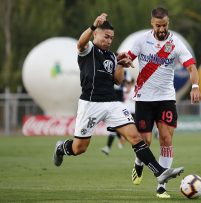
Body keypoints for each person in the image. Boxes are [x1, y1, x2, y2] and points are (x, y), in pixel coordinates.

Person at [52, 13, 184, 190]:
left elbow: (117, 80)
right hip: (90, 103)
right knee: (79, 148)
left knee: (135, 137)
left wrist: (121, 64)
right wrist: (92, 26)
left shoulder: (112, 56)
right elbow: (80, 43)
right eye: (106, 36)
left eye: (111, 38)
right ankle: (62, 148)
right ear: (96, 34)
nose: (109, 40)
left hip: (112, 103)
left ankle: (160, 173)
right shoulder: (88, 50)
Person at [127, 7, 201, 198]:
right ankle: (138, 162)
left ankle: (162, 187)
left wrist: (195, 87)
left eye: (165, 25)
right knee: (146, 141)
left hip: (166, 98)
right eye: (158, 25)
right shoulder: (141, 40)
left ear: (169, 23)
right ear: (152, 23)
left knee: (166, 139)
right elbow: (129, 57)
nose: (162, 29)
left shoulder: (175, 43)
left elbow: (191, 67)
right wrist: (124, 61)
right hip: (143, 98)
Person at [101, 75, 134, 155]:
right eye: (126, 82)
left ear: (132, 83)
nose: (127, 84)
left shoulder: (134, 90)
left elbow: (132, 96)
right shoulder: (124, 89)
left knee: (133, 132)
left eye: (128, 83)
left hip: (133, 113)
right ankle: (108, 147)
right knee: (115, 128)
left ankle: (132, 145)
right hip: (124, 113)